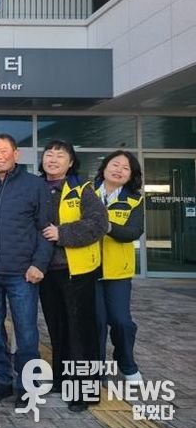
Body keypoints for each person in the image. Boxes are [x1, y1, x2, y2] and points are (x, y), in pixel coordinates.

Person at [0, 133, 53, 408]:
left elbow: (46, 229)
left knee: (26, 332)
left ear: (16, 154)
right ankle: (0, 380)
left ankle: (27, 385)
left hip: (22, 272)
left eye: (3, 151)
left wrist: (39, 264)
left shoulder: (35, 185)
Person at [38, 140, 108, 411]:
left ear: (70, 163)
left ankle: (85, 390)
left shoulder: (82, 189)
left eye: (60, 155)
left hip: (76, 271)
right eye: (49, 154)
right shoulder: (37, 188)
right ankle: (62, 377)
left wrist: (62, 233)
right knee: (57, 327)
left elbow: (99, 223)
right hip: (47, 271)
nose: (53, 159)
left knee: (81, 331)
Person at [94, 151, 145, 383]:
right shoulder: (86, 193)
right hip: (88, 269)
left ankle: (126, 362)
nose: (119, 170)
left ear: (131, 175)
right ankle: (97, 367)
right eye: (115, 165)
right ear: (104, 167)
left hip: (118, 271)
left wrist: (109, 227)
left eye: (126, 168)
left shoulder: (134, 200)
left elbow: (134, 231)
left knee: (121, 321)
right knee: (96, 321)